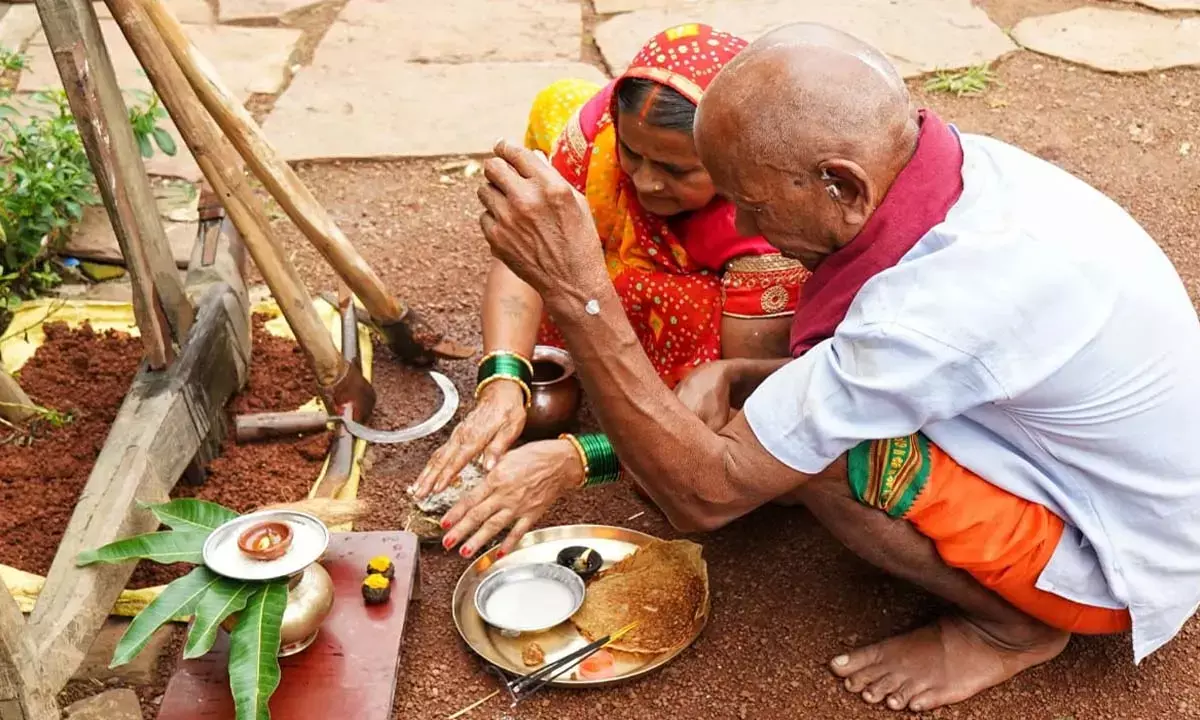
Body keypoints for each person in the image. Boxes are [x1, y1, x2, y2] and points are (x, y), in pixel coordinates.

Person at [451, 21, 1200, 714]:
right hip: (1090, 470)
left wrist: (579, 295)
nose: (743, 227)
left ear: (842, 184)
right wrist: (741, 376)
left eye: (752, 204)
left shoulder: (931, 309)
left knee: (817, 459)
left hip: (1117, 557)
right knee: (785, 423)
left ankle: (1013, 630)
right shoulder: (962, 175)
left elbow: (707, 495)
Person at [412, 24, 808, 530]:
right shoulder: (599, 133)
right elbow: (527, 253)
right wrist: (502, 383)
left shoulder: (764, 228)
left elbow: (742, 415)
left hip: (701, 344)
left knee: (677, 304)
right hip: (602, 298)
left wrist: (582, 457)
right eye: (632, 154)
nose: (646, 181)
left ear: (732, 158)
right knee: (558, 108)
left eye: (677, 170)